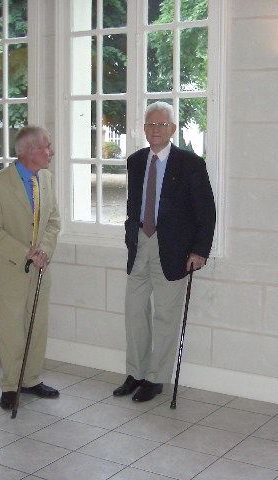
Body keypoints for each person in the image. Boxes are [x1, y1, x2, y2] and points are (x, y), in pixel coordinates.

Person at [112, 101, 216, 403]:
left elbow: (206, 211)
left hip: (173, 249)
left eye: (161, 125)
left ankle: (156, 378)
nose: (155, 130)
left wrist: (200, 250)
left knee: (166, 317)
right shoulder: (135, 161)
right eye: (150, 124)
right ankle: (135, 373)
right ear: (144, 129)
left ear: (172, 129)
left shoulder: (190, 164)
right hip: (140, 245)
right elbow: (134, 205)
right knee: (135, 312)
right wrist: (131, 235)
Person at [0, 125, 61, 410]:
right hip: (9, 272)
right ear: (30, 151)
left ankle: (32, 380)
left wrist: (44, 250)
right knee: (11, 332)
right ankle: (11, 386)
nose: (51, 152)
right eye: (47, 146)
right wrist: (26, 253)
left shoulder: (47, 179)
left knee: (37, 327)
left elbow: (53, 222)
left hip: (40, 269)